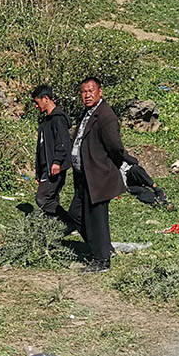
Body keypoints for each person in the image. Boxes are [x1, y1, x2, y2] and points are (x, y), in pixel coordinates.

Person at [68, 77, 130, 273]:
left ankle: (102, 260)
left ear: (100, 92)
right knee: (77, 214)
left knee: (97, 218)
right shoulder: (87, 113)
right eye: (84, 92)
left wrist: (106, 164)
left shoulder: (105, 115)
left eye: (91, 91)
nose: (87, 95)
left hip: (98, 174)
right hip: (83, 176)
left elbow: (115, 146)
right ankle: (100, 249)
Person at [31, 85, 73, 228]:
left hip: (55, 167)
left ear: (46, 99)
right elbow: (42, 148)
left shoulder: (58, 119)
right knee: (52, 197)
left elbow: (62, 143)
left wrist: (57, 161)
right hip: (46, 168)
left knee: (42, 199)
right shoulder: (46, 122)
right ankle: (53, 229)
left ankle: (70, 222)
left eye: (37, 102)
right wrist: (39, 172)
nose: (36, 106)